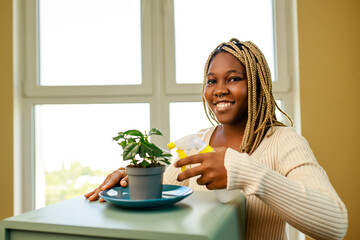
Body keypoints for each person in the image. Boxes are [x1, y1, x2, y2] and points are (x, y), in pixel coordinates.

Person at [85, 38, 348, 240]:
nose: (219, 90)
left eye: (233, 79)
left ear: (256, 85)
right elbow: (155, 187)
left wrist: (242, 170)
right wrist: (127, 178)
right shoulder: (189, 145)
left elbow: (335, 224)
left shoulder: (282, 141)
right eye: (212, 81)